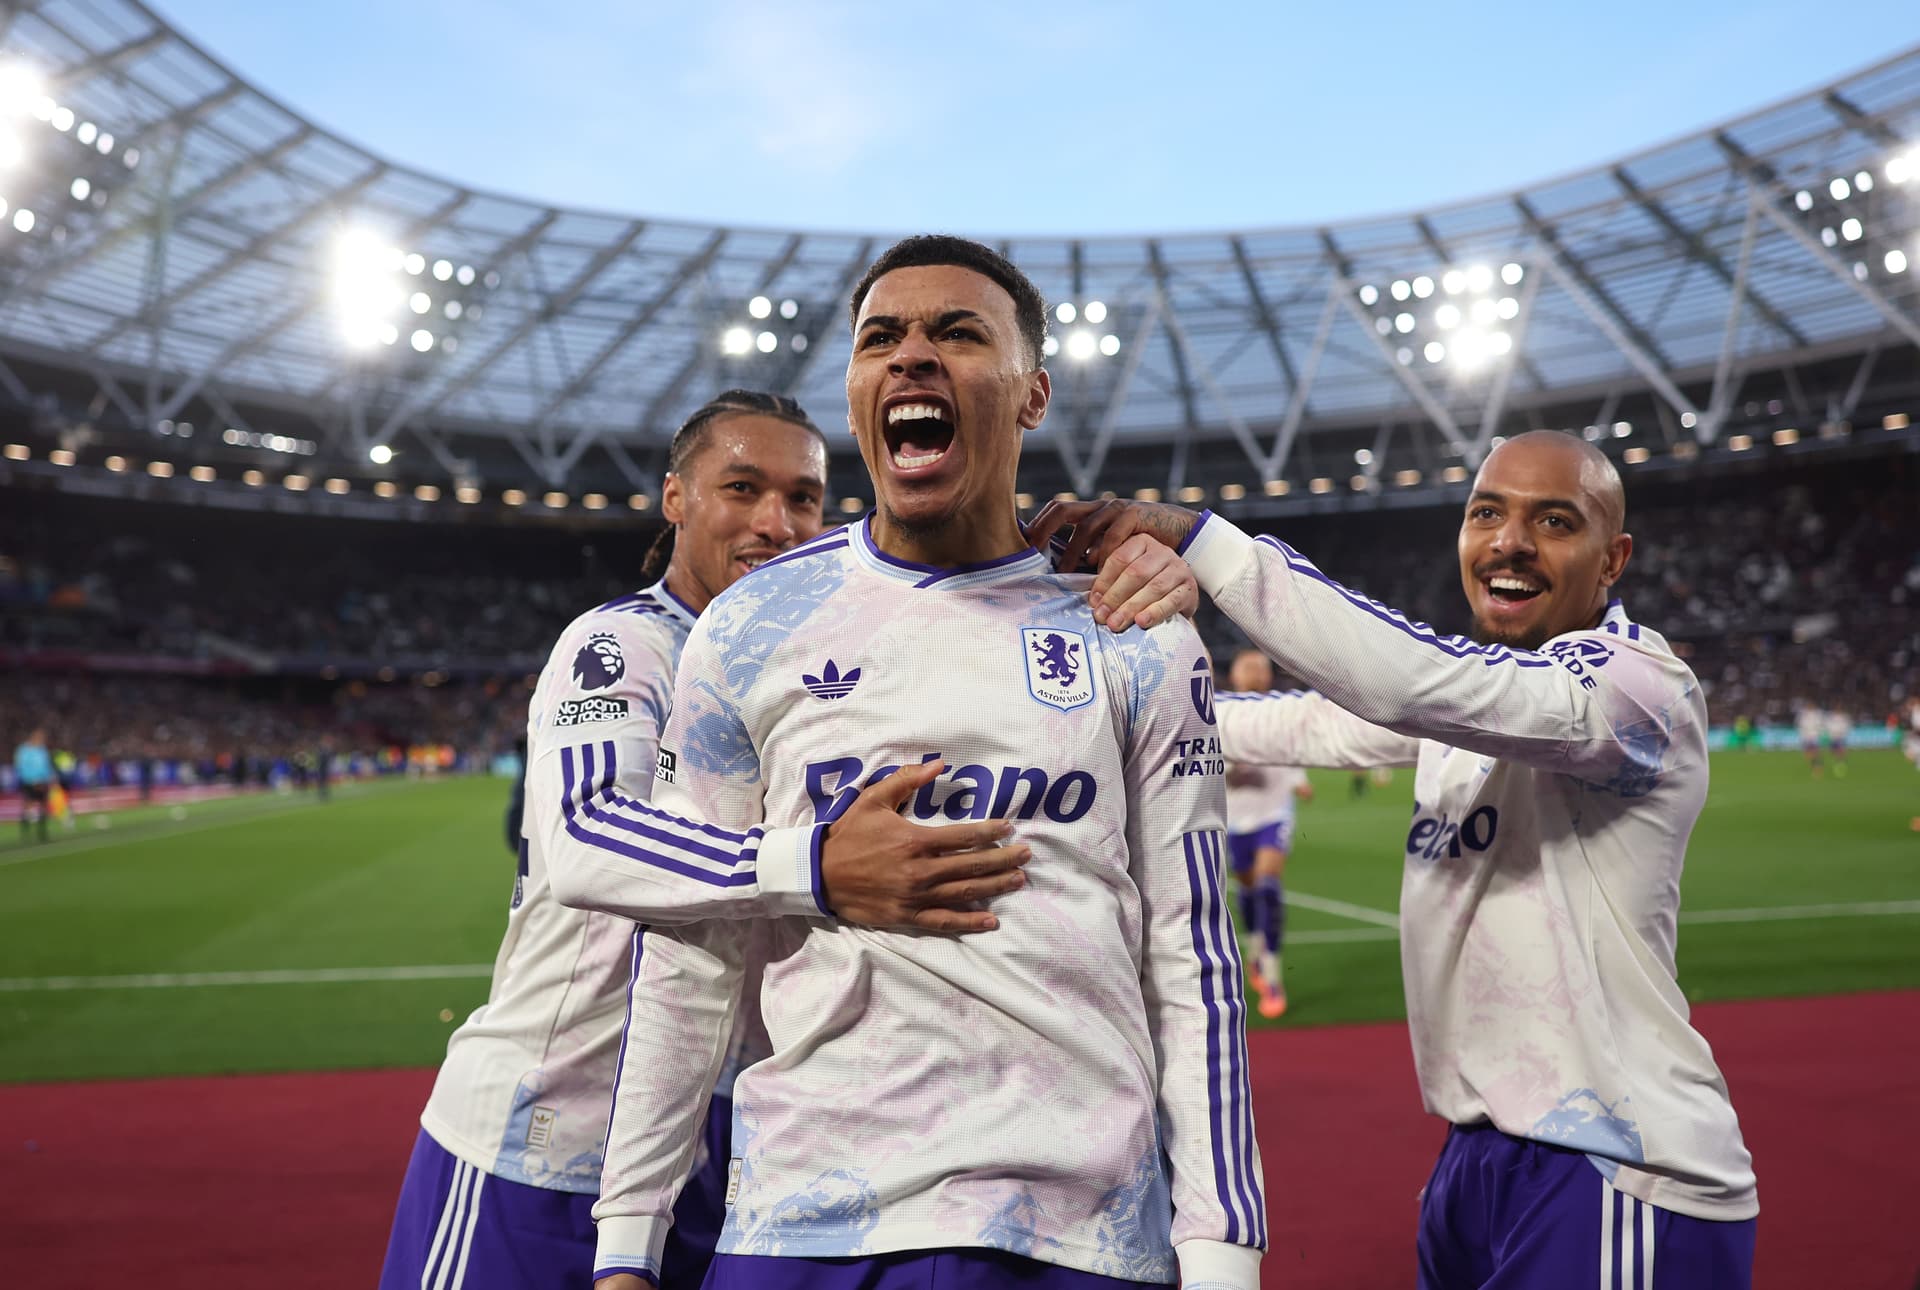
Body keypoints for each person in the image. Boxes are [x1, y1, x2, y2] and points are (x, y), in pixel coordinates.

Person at [578, 236, 1264, 1290]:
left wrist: (1224, 1256)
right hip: (801, 1220)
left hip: (1073, 1229)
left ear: (1032, 393)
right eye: (881, 339)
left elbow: (1192, 955)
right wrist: (628, 1241)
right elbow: (690, 949)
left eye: (957, 333)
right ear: (855, 391)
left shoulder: (1134, 625)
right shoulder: (751, 628)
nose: (912, 358)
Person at [1032, 429, 1757, 1287]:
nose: (1510, 542)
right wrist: (1091, 708)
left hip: (1616, 1165)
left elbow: (1410, 680)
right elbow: (1299, 723)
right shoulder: (1476, 701)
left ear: (1613, 560)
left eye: (1556, 521)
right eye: (1486, 513)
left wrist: (1204, 541)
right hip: (1475, 1159)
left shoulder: (1638, 688)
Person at [382, 390, 1023, 1290]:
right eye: (742, 488)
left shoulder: (808, 675)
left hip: (713, 1154)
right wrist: (816, 867)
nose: (777, 521)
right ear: (677, 499)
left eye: (803, 497)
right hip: (545, 1140)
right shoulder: (622, 645)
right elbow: (584, 835)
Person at [1221, 648, 1311, 1018]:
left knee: (1268, 886)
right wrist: (1233, 766)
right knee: (1247, 890)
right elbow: (1208, 764)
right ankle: (1256, 949)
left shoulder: (1281, 710)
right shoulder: (1219, 712)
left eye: (1261, 667)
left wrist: (1300, 779)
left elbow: (1294, 751)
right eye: (1248, 667)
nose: (1256, 673)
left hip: (1274, 811)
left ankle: (1272, 975)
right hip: (1234, 815)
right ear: (1236, 675)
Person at [13, 727, 53, 844]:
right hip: (29, 782)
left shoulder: (42, 750)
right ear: (33, 737)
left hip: (43, 782)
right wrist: (32, 779)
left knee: (43, 806)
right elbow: (21, 767)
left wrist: (49, 777)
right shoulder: (24, 750)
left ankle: (42, 833)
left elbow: (46, 766)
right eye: (40, 737)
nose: (42, 739)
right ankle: (25, 833)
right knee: (28, 806)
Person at [1796, 701, 1826, 776]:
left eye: (1811, 705)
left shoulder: (1817, 714)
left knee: (1815, 753)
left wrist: (1819, 732)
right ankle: (1816, 764)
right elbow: (1799, 724)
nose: (1809, 706)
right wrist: (1802, 732)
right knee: (1807, 754)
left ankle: (1817, 768)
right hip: (1806, 736)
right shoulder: (1803, 714)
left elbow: (1821, 725)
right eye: (1808, 705)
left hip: (1814, 736)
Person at [1824, 707, 1852, 779]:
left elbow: (1847, 726)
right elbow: (1827, 726)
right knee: (1833, 751)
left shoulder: (1844, 717)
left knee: (1840, 750)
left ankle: (1840, 762)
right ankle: (1838, 761)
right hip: (1833, 736)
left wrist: (1844, 732)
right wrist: (1829, 733)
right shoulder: (1831, 718)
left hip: (1840, 736)